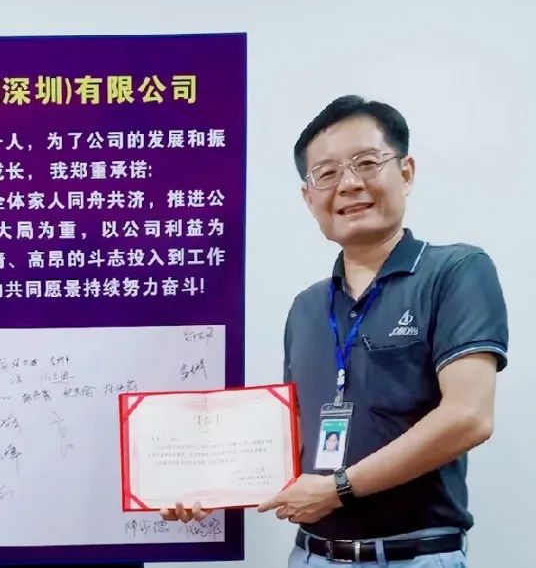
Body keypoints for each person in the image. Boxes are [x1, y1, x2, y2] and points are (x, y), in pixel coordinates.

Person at [161, 95, 507, 567]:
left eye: (366, 163)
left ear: (405, 172)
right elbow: (289, 441)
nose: (348, 184)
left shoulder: (455, 271)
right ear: (309, 198)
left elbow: (468, 416)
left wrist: (338, 488)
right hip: (311, 554)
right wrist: (208, 486)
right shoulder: (307, 307)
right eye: (326, 173)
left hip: (413, 555)